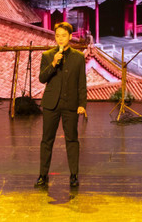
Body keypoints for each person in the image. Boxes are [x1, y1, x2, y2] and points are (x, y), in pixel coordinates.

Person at [36, 22, 87, 188]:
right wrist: (53, 64)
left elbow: (82, 83)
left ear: (70, 37)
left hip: (70, 104)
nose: (60, 39)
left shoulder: (79, 58)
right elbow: (42, 79)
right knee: (46, 141)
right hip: (51, 104)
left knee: (72, 140)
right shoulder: (48, 55)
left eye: (63, 35)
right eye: (57, 35)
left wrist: (82, 104)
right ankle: (43, 175)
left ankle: (73, 175)